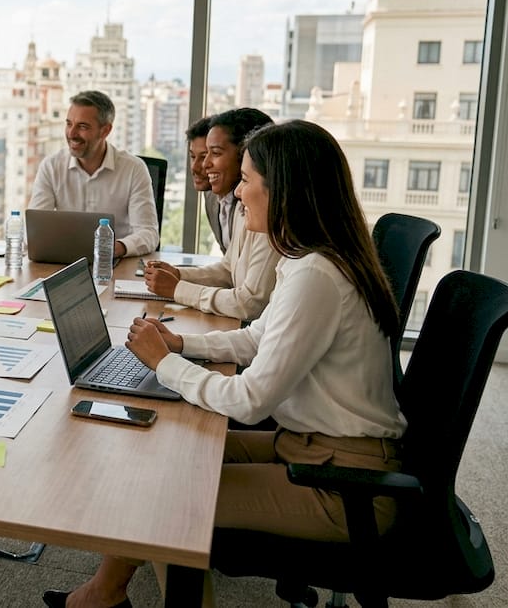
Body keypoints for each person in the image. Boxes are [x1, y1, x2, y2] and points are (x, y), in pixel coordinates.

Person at [43, 120, 405, 608]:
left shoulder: (316, 276)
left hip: (343, 484)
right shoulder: (313, 259)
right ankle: (103, 595)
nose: (238, 191)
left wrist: (165, 365)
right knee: (166, 456)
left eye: (247, 180)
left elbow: (251, 400)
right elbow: (259, 337)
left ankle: (102, 597)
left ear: (283, 192)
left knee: (165, 501)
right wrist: (181, 346)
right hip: (311, 447)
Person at [143, 108, 279, 321]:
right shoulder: (241, 206)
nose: (204, 166)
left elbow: (251, 304)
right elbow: (228, 270)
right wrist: (178, 275)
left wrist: (178, 289)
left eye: (214, 154)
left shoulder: (266, 218)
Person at [28, 90, 159, 259]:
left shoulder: (134, 169)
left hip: (113, 266)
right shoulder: (51, 166)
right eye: (69, 124)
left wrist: (116, 248)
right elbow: (33, 230)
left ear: (105, 131)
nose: (72, 134)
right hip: (63, 265)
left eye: (82, 127)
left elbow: (148, 233)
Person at [184, 115, 224, 251]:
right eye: (192, 157)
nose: (194, 167)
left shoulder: (245, 206)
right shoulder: (210, 196)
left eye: (204, 157)